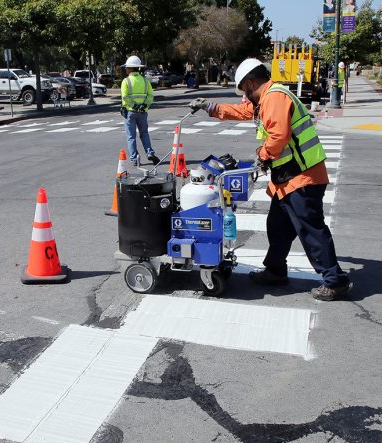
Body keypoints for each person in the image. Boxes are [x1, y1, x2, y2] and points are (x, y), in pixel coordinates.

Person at [189, 59, 351, 301]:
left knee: (311, 230)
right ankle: (275, 271)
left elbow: (279, 136)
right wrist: (211, 107)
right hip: (289, 178)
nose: (245, 97)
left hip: (302, 176)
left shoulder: (274, 97)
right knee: (277, 227)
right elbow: (243, 111)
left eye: (245, 91)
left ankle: (334, 280)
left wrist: (262, 156)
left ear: (251, 83)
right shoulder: (266, 99)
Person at [120, 55, 159, 166]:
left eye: (127, 67)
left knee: (131, 136)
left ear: (132, 68)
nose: (126, 69)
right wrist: (144, 105)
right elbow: (151, 95)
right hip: (143, 112)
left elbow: (125, 97)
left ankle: (134, 158)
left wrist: (134, 106)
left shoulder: (126, 81)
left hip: (130, 112)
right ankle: (149, 152)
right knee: (144, 133)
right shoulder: (145, 81)